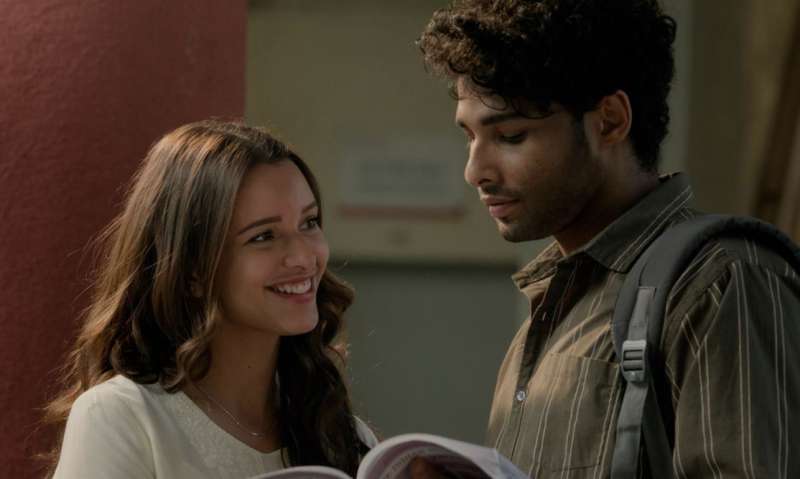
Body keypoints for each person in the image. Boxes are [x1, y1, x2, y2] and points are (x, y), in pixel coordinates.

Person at [417, 0, 800, 477]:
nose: (476, 171)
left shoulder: (721, 283)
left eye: (511, 136)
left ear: (610, 121)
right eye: (469, 137)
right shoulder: (554, 306)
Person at [43, 120, 377, 478]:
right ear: (192, 273)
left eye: (309, 222)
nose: (303, 256)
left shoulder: (342, 435)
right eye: (263, 236)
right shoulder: (121, 417)